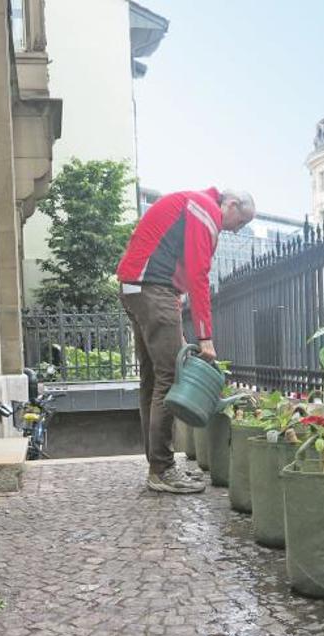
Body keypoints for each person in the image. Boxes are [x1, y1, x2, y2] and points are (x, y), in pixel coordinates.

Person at [116, 187, 256, 493]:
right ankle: (163, 469)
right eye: (240, 221)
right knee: (170, 378)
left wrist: (175, 316)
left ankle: (157, 465)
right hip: (153, 289)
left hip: (137, 287)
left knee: (152, 380)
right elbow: (198, 274)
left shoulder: (190, 202)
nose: (236, 229)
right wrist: (205, 336)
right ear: (230, 204)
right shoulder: (205, 210)